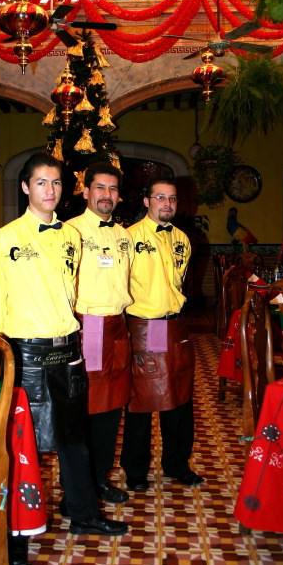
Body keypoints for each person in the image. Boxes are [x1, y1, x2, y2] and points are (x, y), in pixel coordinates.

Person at [0, 152, 128, 565]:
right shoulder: (7, 238)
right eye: (41, 182)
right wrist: (14, 342)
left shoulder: (69, 238)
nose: (50, 190)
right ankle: (15, 535)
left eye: (56, 183)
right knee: (20, 446)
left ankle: (83, 514)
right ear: (26, 188)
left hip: (68, 348)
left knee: (74, 439)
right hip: (26, 352)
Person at [120, 177, 203, 490]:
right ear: (146, 201)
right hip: (148, 326)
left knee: (180, 396)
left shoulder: (182, 238)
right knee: (143, 398)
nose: (167, 204)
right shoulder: (129, 238)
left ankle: (177, 464)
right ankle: (136, 470)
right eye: (160, 198)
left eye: (172, 199)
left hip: (177, 324)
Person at [68, 162, 133, 505]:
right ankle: (80, 485)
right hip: (88, 325)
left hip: (118, 325)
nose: (107, 195)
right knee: (87, 409)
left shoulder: (123, 236)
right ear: (86, 191)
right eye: (100, 188)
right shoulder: (71, 232)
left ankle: (100, 478)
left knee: (112, 410)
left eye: (112, 189)